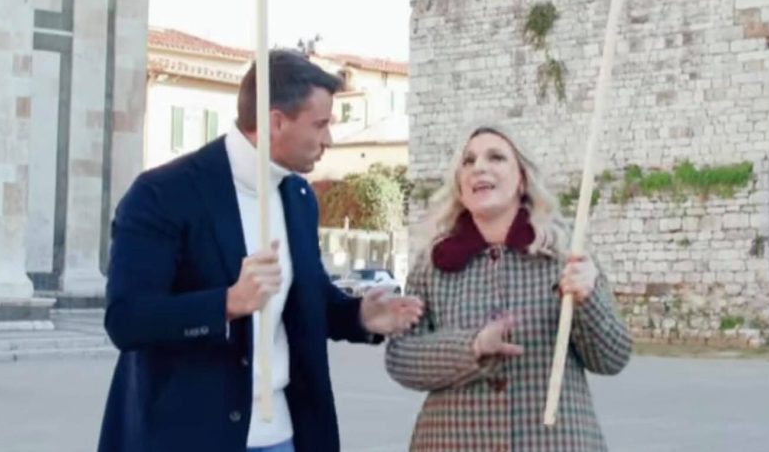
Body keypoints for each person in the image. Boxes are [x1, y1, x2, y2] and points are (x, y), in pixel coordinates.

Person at [98, 49, 424, 452]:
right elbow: (127, 320)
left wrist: (360, 316)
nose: (329, 140)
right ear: (276, 121)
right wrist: (227, 303)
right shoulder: (163, 194)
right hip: (187, 436)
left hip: (283, 435)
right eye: (320, 124)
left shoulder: (298, 196)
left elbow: (307, 300)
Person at [385, 124, 632, 451]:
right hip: (453, 441)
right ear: (459, 184)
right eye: (469, 161)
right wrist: (472, 347)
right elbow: (401, 357)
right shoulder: (432, 264)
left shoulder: (565, 256)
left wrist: (589, 298)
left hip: (552, 442)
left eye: (496, 157)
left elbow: (612, 358)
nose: (479, 167)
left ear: (522, 180)